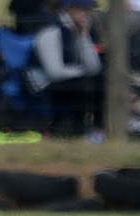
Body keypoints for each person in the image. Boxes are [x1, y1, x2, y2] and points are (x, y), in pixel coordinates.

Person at [32, 0, 103, 134]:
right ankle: (77, 129)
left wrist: (84, 37)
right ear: (68, 9)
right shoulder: (51, 30)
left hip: (72, 80)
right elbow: (54, 72)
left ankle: (99, 129)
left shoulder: (83, 32)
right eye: (83, 9)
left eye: (89, 10)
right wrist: (83, 72)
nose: (87, 14)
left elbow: (95, 68)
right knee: (84, 84)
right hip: (46, 85)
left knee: (101, 81)